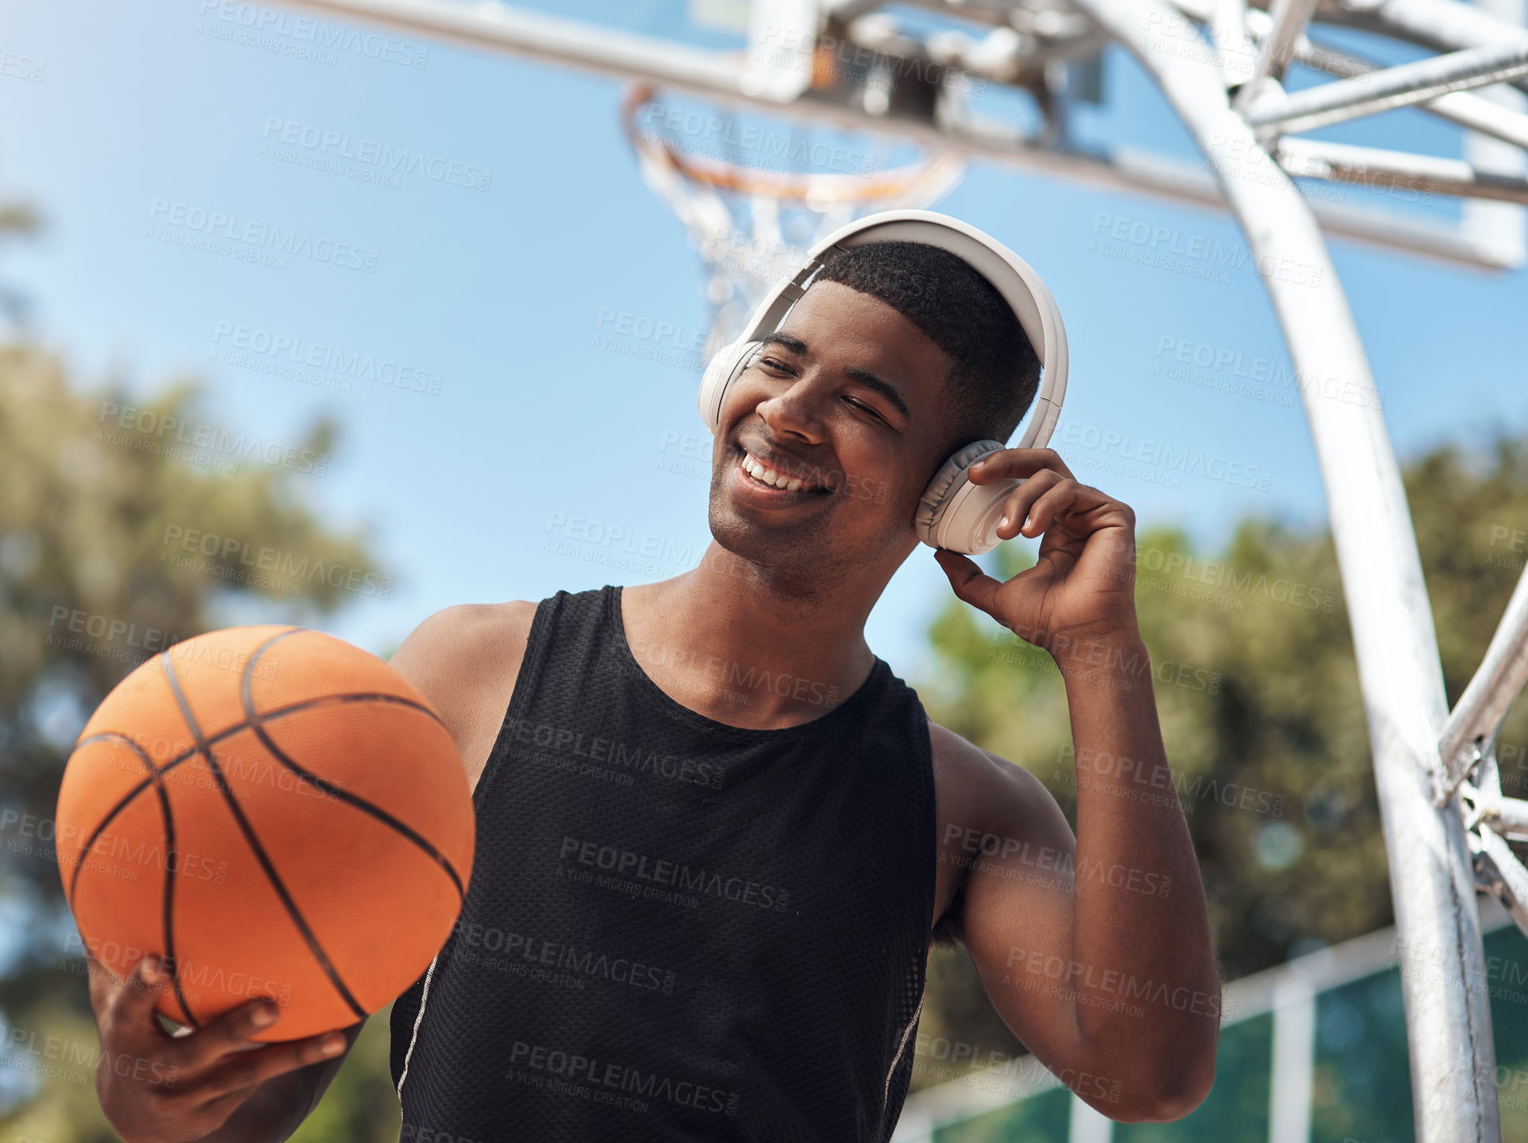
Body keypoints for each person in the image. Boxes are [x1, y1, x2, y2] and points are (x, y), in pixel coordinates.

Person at [86, 227, 1221, 1142]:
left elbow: (1148, 1072)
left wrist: (1101, 656)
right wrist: (157, 1099)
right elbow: (259, 1091)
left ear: (955, 496)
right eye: (779, 363)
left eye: (866, 404)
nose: (787, 410)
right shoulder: (468, 672)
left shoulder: (966, 811)